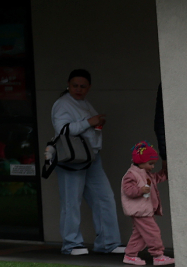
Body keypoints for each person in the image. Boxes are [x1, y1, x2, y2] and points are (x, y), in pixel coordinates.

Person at [52, 68, 122, 255]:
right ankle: (71, 244)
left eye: (83, 86)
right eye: (75, 85)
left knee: (104, 198)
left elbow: (85, 127)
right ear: (68, 85)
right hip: (72, 158)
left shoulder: (84, 103)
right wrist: (90, 123)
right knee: (71, 201)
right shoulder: (62, 104)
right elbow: (63, 131)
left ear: (89, 87)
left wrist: (95, 124)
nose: (78, 89)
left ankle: (109, 242)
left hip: (91, 156)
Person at [121, 142, 171, 266]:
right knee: (153, 232)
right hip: (140, 211)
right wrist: (140, 190)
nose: (152, 167)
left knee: (140, 235)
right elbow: (128, 190)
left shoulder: (146, 174)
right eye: (150, 164)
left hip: (144, 210)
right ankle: (158, 255)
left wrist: (165, 171)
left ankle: (130, 255)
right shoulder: (132, 174)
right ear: (140, 161)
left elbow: (158, 178)